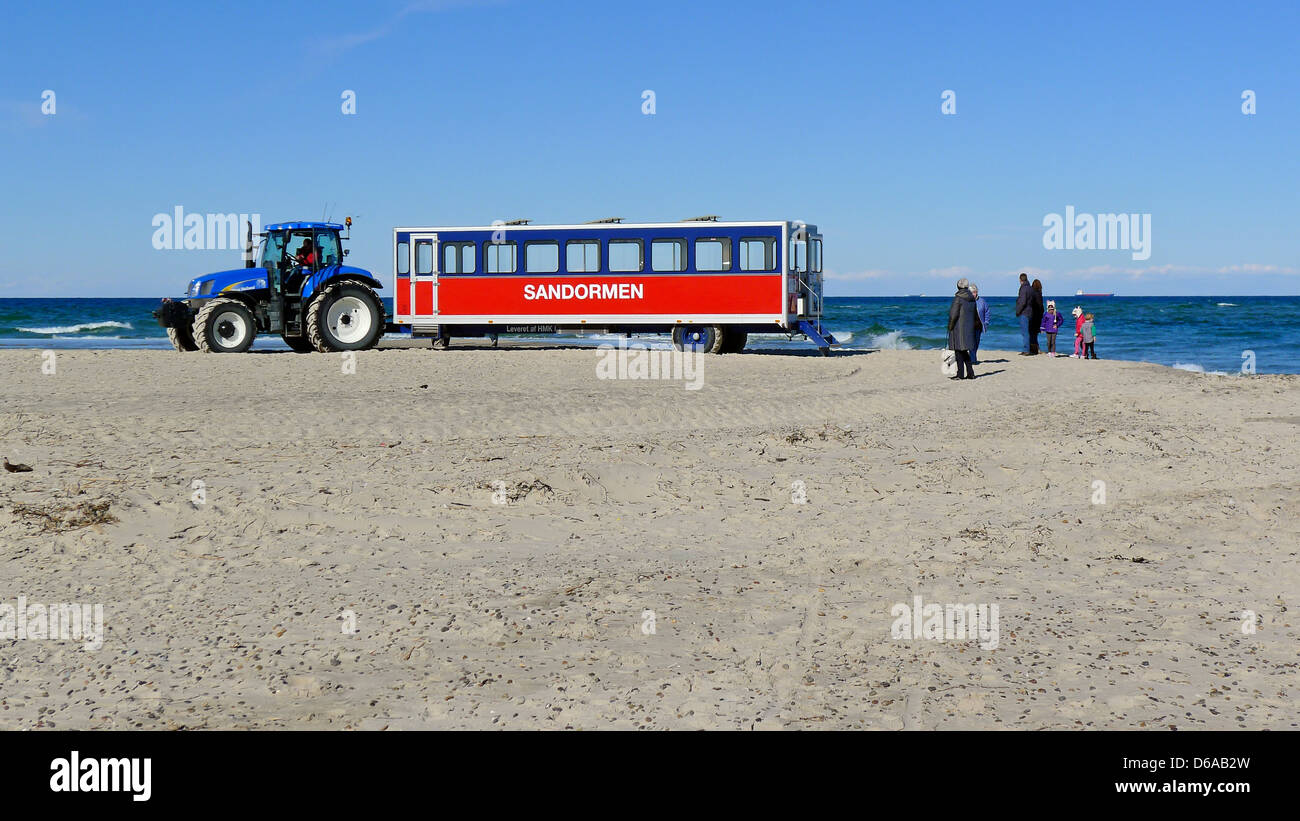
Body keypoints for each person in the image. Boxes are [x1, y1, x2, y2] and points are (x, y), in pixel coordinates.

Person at [947, 278, 978, 379]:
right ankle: (970, 373)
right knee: (964, 351)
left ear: (958, 286)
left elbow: (953, 315)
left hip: (958, 328)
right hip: (968, 328)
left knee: (959, 351)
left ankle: (960, 374)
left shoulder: (958, 298)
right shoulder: (972, 298)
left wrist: (950, 326)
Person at [970, 283, 989, 365]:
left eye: (974, 292)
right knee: (971, 343)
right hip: (969, 326)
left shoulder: (982, 301)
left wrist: (986, 322)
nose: (973, 294)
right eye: (971, 292)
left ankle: (973, 357)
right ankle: (973, 360)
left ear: (977, 292)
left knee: (976, 343)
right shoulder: (967, 301)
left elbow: (987, 311)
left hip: (979, 326)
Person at [1014, 273, 1032, 355]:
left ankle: (1026, 349)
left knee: (1025, 332)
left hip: (1024, 312)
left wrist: (1018, 311)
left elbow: (1022, 301)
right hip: (1029, 311)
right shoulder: (1030, 288)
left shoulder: (1023, 288)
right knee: (1027, 331)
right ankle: (1027, 348)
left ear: (1020, 280)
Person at [1028, 279, 1045, 354]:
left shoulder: (1030, 293)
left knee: (1031, 333)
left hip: (1030, 315)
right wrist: (1042, 314)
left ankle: (1032, 348)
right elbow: (1040, 306)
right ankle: (1035, 349)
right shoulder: (1038, 294)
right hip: (1037, 315)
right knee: (1035, 333)